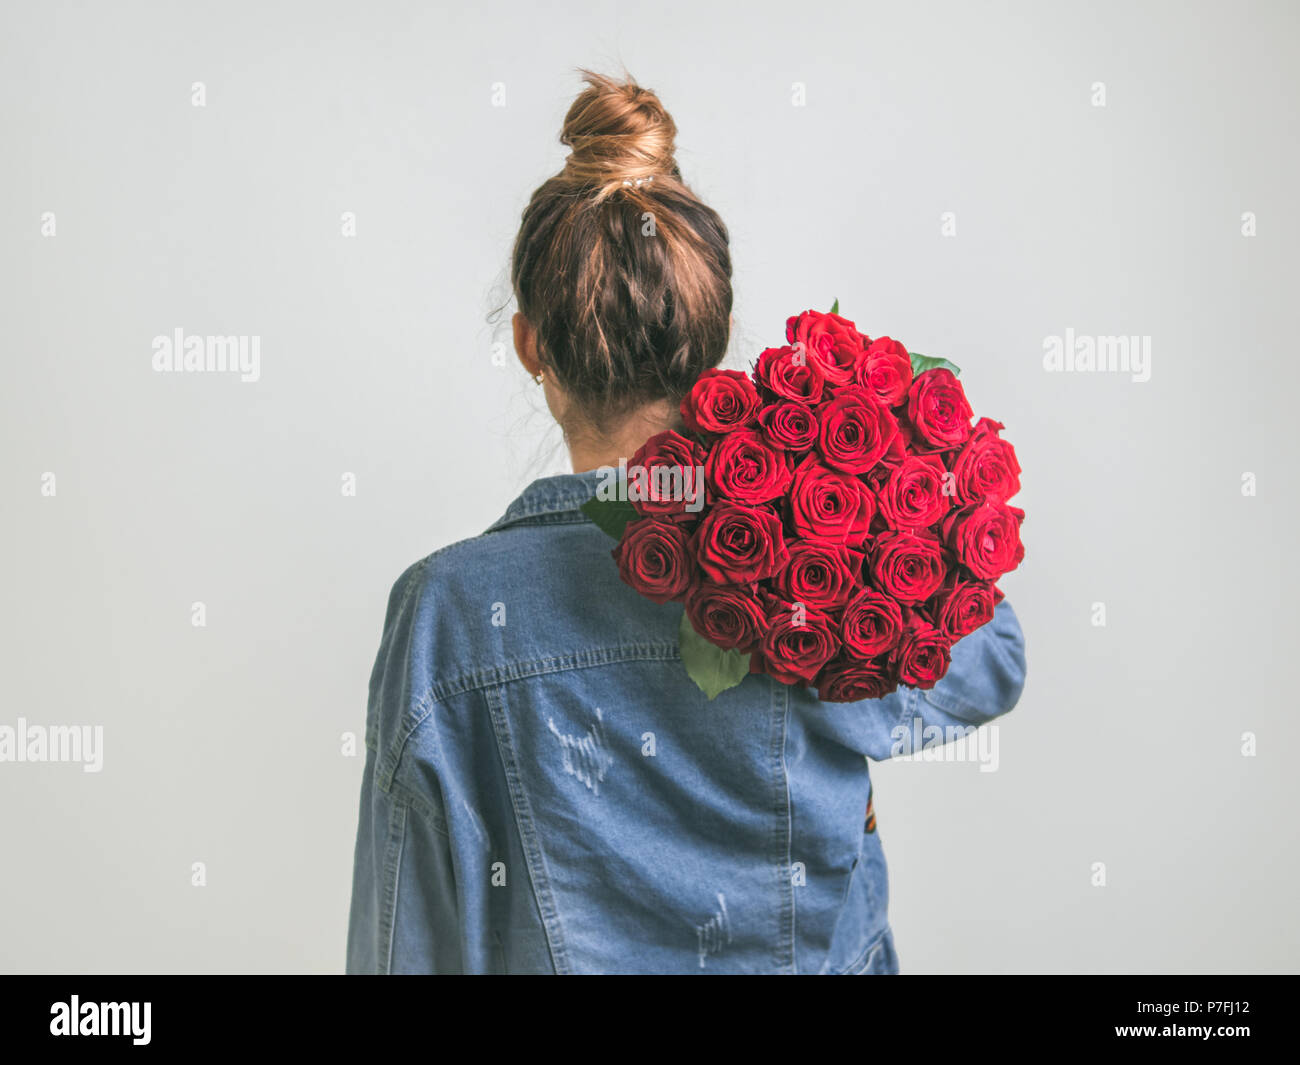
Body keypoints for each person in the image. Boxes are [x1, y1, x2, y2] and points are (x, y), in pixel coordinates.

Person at [346, 69, 1027, 974]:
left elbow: (409, 943)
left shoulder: (449, 617)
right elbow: (991, 663)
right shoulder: (813, 561)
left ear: (530, 345)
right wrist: (863, 501)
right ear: (716, 333)